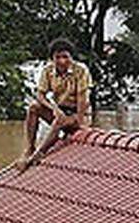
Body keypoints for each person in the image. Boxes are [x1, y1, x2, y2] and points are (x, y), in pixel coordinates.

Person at [16, 38, 93, 171]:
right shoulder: (48, 70)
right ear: (52, 58)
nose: (62, 61)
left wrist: (81, 124)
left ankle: (38, 153)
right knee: (33, 108)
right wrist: (54, 108)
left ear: (71, 57)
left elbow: (83, 99)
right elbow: (40, 95)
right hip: (60, 110)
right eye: (58, 57)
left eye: (65, 57)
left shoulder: (81, 70)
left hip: (78, 113)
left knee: (59, 120)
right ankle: (30, 147)